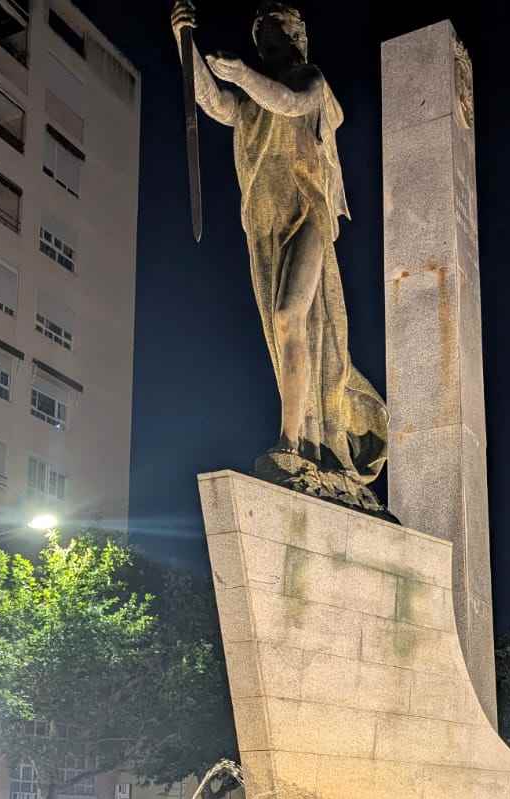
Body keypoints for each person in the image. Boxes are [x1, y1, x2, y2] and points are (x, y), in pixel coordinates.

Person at [172, 0, 388, 512]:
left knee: (292, 315)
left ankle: (291, 440)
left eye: (280, 33)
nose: (273, 42)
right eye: (264, 36)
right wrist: (184, 43)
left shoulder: (311, 81)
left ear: (298, 38)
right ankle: (300, 441)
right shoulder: (250, 103)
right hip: (263, 225)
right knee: (282, 333)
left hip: (307, 213)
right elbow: (212, 101)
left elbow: (291, 103)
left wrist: (242, 74)